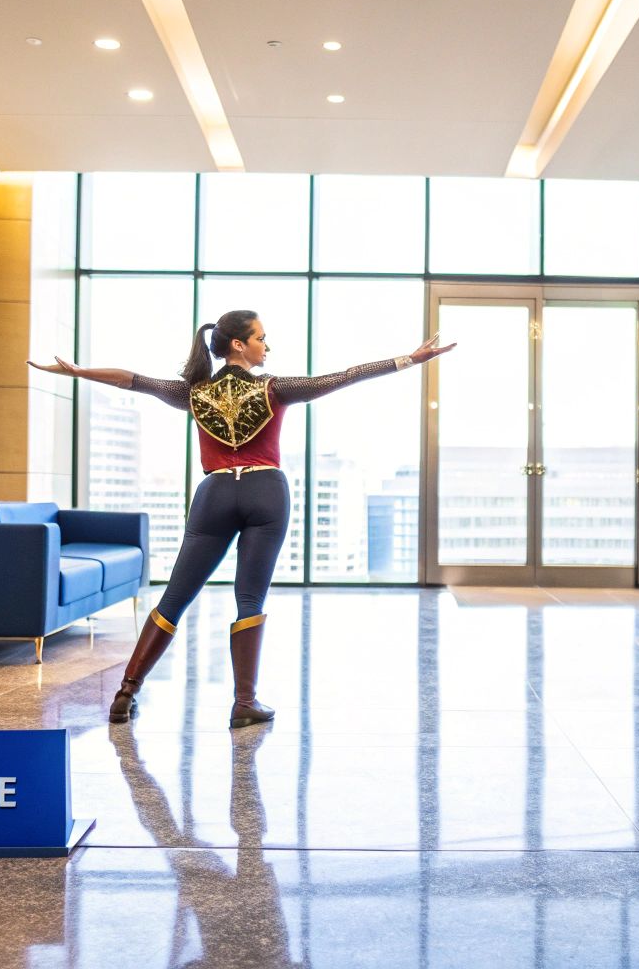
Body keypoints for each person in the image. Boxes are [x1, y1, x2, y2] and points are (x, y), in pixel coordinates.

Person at [29, 310, 454, 728]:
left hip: (214, 494)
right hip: (266, 491)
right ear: (239, 344)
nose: (266, 346)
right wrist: (407, 360)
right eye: (261, 338)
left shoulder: (193, 393)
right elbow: (343, 376)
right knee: (249, 598)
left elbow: (134, 380)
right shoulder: (275, 388)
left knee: (174, 598)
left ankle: (125, 693)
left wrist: (80, 372)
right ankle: (244, 702)